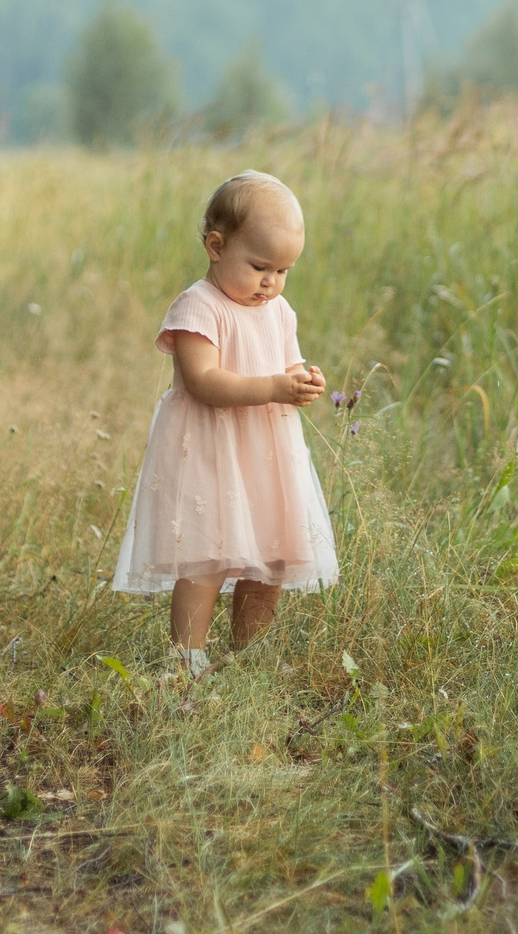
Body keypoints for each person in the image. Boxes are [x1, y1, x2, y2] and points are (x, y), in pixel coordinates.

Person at [111, 169, 337, 678]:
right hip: (211, 449)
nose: (271, 283)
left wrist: (301, 381)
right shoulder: (199, 307)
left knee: (272, 555)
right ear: (216, 246)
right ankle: (187, 657)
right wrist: (276, 388)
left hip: (266, 452)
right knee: (206, 554)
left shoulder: (278, 310)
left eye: (283, 271)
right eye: (260, 266)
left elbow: (286, 365)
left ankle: (247, 657)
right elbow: (203, 383)